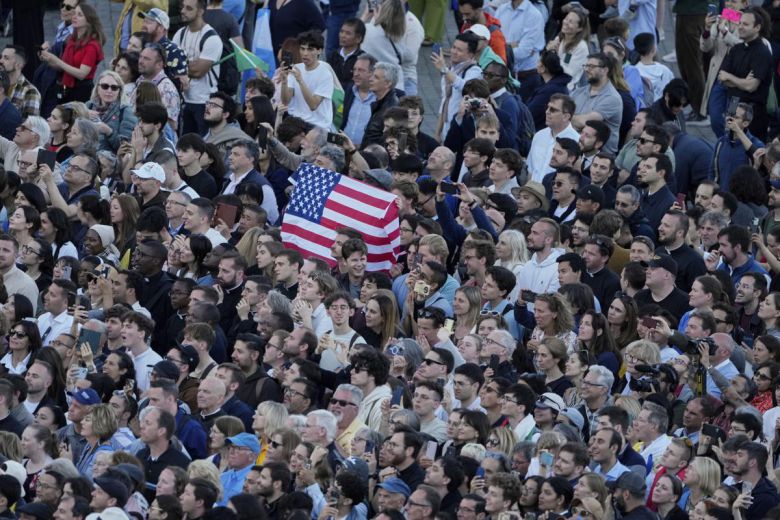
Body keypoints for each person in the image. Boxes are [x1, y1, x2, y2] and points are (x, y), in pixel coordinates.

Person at [172, 0, 224, 135]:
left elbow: (198, 71)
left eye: (189, 8)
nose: (183, 11)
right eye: (182, 7)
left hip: (203, 101)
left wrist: (180, 66)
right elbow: (170, 64)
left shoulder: (211, 38)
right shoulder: (180, 33)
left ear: (200, 11)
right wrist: (186, 65)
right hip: (182, 99)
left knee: (202, 145)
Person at [38, 4, 105, 103]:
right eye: (74, 13)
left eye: (79, 15)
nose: (74, 17)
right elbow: (63, 68)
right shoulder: (72, 39)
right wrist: (48, 59)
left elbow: (82, 74)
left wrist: (56, 60)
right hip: (66, 88)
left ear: (89, 21)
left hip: (81, 91)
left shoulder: (92, 46)